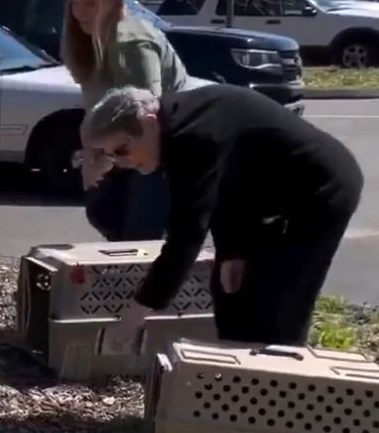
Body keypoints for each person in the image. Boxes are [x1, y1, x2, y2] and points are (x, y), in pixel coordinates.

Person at [81, 83, 363, 347]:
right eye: (111, 155)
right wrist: (232, 250)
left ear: (148, 122)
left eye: (122, 150)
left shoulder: (192, 136)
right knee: (229, 292)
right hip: (263, 195)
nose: (122, 162)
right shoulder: (174, 127)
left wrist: (137, 312)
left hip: (321, 188)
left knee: (284, 298)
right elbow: (225, 187)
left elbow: (186, 236)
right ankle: (235, 367)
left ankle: (283, 371)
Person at [61, 0, 207, 241]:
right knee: (104, 215)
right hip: (121, 150)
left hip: (156, 154)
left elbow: (145, 118)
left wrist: (102, 159)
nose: (79, 13)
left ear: (115, 1)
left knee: (139, 238)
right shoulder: (89, 39)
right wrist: (90, 155)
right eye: (75, 3)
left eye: (90, 3)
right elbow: (98, 107)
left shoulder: (132, 44)